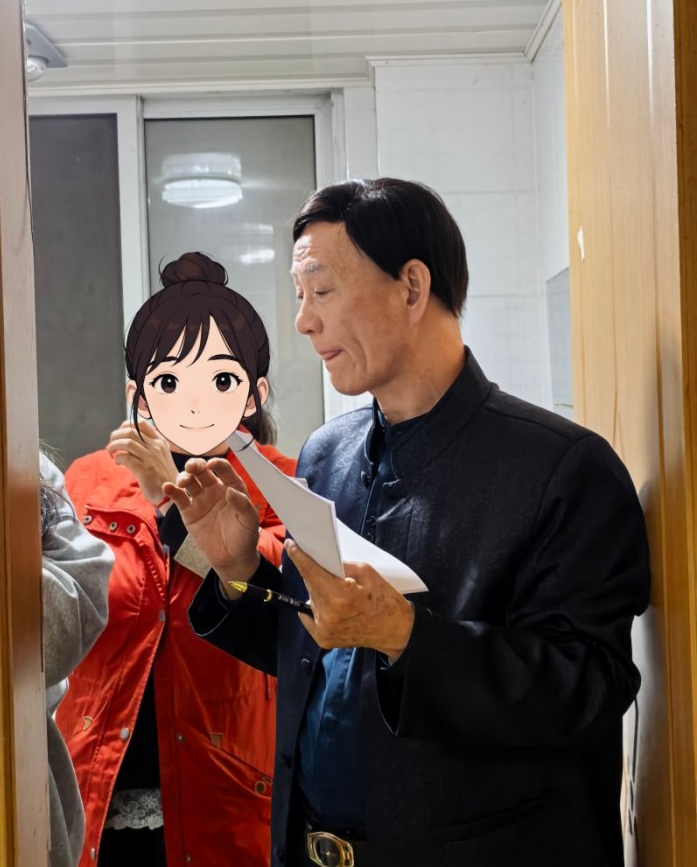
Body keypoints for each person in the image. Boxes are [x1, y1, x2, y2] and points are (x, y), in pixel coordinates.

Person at [167, 180, 650, 867]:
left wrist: (405, 636)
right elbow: (317, 654)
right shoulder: (326, 454)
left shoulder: (563, 467)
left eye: (321, 290)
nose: (302, 321)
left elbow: (591, 687)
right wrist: (239, 568)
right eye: (299, 295)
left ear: (413, 289)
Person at [55, 253, 296, 867]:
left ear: (252, 395)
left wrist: (170, 498)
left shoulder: (284, 483)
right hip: (94, 792)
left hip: (228, 793)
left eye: (219, 381)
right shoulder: (86, 482)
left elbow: (269, 595)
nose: (191, 402)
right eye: (168, 382)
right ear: (136, 394)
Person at [41, 450, 114, 867]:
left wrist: (172, 513)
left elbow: (73, 620)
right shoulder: (94, 473)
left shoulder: (20, 462)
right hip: (97, 742)